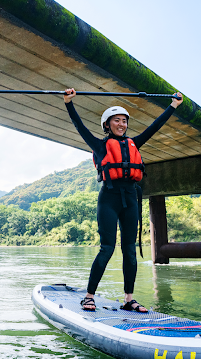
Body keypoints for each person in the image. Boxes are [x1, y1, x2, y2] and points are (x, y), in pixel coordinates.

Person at [63, 88, 183, 312]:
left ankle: (129, 299)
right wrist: (69, 103)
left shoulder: (134, 143)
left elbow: (154, 127)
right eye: (116, 121)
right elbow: (80, 127)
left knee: (129, 249)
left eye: (124, 121)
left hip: (131, 197)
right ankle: (89, 296)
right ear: (107, 125)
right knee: (106, 248)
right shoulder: (99, 145)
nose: (122, 124)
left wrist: (173, 106)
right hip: (109, 197)